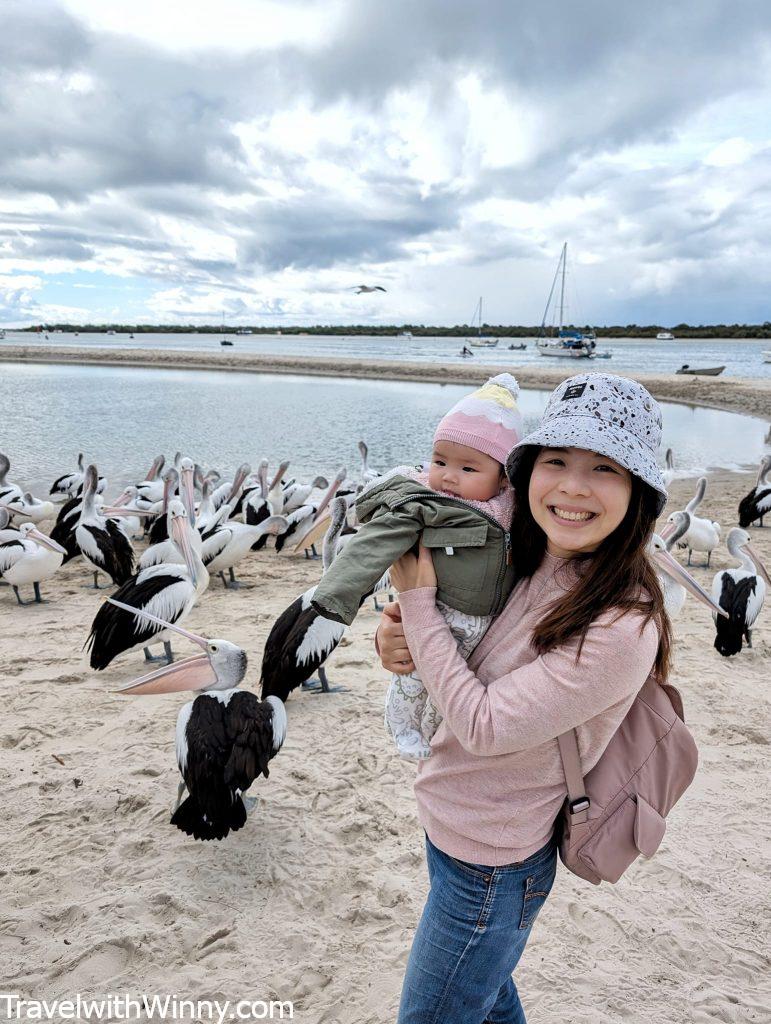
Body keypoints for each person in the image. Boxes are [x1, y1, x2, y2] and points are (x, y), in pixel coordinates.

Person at [377, 372, 673, 1024]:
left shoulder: (622, 625)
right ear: (526, 471)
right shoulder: (528, 553)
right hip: (454, 828)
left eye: (603, 467)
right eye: (556, 461)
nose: (571, 485)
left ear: (638, 493)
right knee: (483, 995)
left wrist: (417, 603)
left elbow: (482, 725)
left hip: (492, 867)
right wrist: (397, 637)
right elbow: (462, 649)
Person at [311, 373, 523, 759]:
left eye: (469, 469)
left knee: (449, 696)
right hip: (441, 613)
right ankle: (404, 731)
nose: (447, 476)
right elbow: (374, 544)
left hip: (487, 628)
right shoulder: (427, 504)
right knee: (412, 679)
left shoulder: (517, 513)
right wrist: (337, 594)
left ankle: (431, 738)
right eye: (440, 461)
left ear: (504, 477)